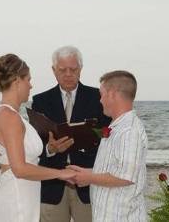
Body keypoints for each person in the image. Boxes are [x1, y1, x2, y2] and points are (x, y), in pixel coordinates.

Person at [0, 54, 75, 222]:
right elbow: (20, 169)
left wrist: (50, 149)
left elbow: (19, 157)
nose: (31, 86)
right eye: (28, 80)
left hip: (24, 191)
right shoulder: (9, 117)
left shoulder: (6, 114)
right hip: (18, 195)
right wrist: (61, 174)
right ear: (17, 80)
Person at [32, 46, 111, 222]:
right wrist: (50, 148)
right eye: (62, 70)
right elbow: (35, 144)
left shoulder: (98, 97)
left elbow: (109, 134)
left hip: (88, 182)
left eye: (73, 69)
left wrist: (92, 135)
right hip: (52, 183)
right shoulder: (40, 101)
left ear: (80, 69)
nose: (68, 74)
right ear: (54, 71)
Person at [68, 70, 148, 222]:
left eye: (102, 94)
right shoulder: (117, 127)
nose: (100, 100)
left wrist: (89, 177)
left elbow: (125, 177)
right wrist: (86, 173)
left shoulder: (129, 130)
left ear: (112, 94)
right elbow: (115, 169)